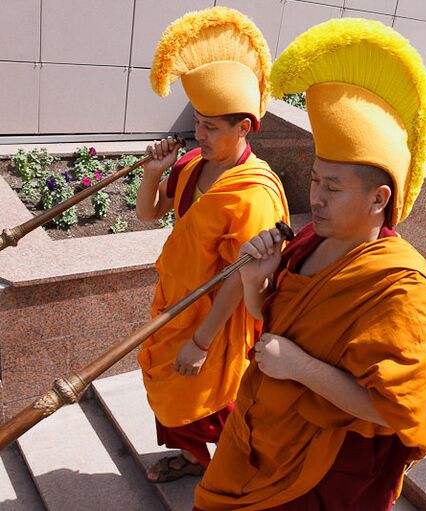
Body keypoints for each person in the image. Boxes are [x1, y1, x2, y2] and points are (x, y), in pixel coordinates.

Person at [192, 18, 426, 510]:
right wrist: (254, 284)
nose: (316, 199)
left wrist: (301, 367)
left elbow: (391, 413)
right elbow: (273, 327)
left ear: (379, 198)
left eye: (333, 187)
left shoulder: (399, 285)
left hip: (314, 464)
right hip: (255, 429)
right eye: (315, 181)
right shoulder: (306, 241)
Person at [135, 7, 289, 483]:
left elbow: (242, 277)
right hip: (175, 305)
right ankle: (193, 458)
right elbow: (149, 215)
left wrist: (202, 343)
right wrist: (155, 173)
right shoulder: (194, 166)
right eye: (197, 123)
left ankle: (225, 469)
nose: (198, 135)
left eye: (211, 127)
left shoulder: (254, 195)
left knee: (206, 404)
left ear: (244, 127)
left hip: (216, 322)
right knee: (171, 393)